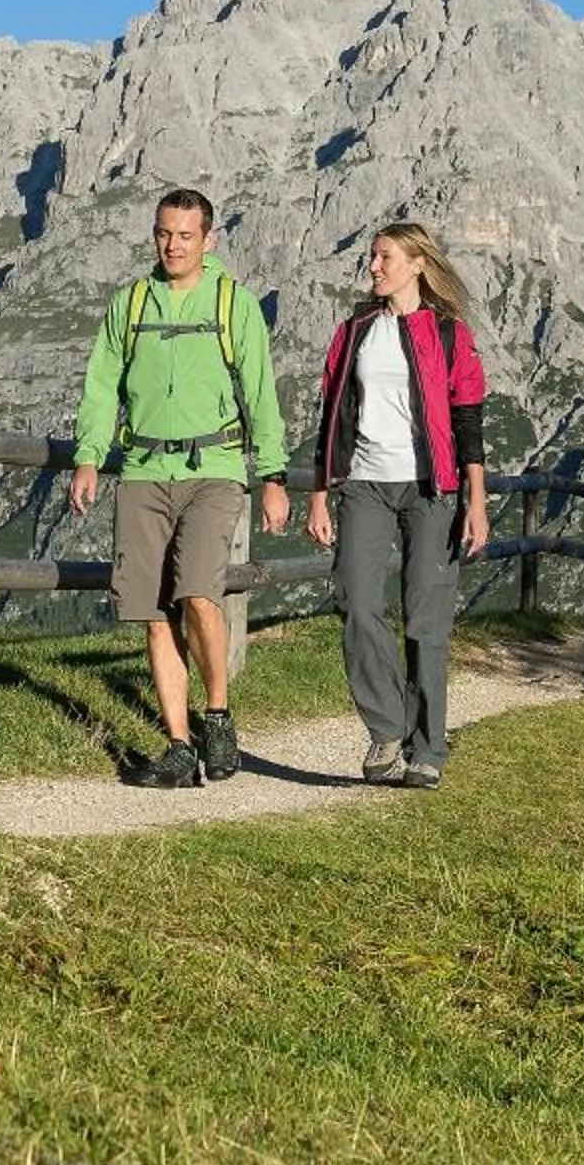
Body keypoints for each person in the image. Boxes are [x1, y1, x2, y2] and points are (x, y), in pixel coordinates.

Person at [69, 188, 290, 787]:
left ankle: (216, 716)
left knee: (197, 593)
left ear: (209, 239)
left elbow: (261, 393)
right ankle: (177, 745)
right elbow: (101, 384)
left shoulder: (233, 304)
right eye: (164, 233)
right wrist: (89, 457)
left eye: (186, 235)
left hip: (213, 470)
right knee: (152, 613)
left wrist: (273, 476)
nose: (173, 245)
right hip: (142, 469)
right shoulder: (131, 303)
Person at [304, 221, 489, 789]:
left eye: (384, 257)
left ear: (416, 264)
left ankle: (427, 748)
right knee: (357, 601)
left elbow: (468, 423)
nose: (374, 267)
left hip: (432, 489)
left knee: (425, 617)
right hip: (363, 484)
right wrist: (319, 493)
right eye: (372, 258)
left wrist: (476, 501)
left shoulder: (450, 335)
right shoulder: (356, 329)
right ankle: (387, 726)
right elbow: (331, 415)